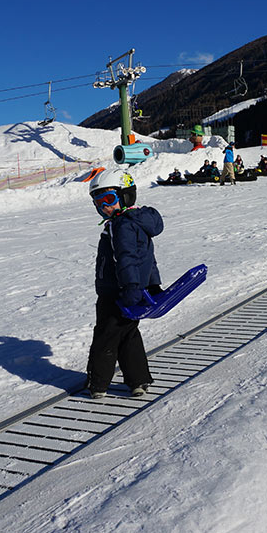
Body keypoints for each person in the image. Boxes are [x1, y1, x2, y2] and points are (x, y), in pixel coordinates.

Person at [86, 168, 162, 399]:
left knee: (105, 337)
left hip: (117, 292)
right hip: (130, 290)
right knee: (128, 335)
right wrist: (151, 285)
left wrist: (130, 289)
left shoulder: (122, 226)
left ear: (126, 195)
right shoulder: (135, 222)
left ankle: (98, 384)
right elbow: (147, 257)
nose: (104, 207)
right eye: (98, 203)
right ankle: (138, 381)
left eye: (109, 199)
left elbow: (127, 259)